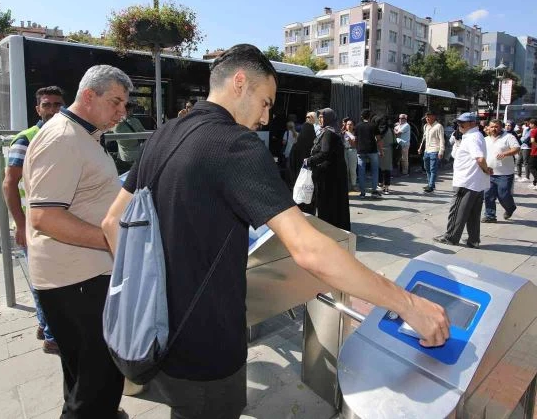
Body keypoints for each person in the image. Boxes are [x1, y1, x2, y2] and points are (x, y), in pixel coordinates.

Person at [101, 44, 449, 419]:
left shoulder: (163, 135)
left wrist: (152, 291)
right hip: (206, 351)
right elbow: (308, 250)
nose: (266, 118)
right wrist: (409, 305)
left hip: (154, 338)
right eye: (266, 102)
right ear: (239, 83)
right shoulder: (236, 146)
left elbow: (112, 222)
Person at [24, 65, 131, 418]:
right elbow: (45, 217)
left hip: (81, 277)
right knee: (97, 381)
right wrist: (114, 240)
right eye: (115, 102)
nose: (122, 112)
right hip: (76, 281)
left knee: (84, 377)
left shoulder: (83, 135)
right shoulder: (63, 138)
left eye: (124, 104)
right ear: (89, 96)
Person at [1, 85, 65, 355]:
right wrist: (20, 224)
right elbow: (9, 183)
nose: (53, 110)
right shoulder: (27, 139)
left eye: (58, 105)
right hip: (36, 224)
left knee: (49, 278)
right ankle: (53, 337)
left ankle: (44, 324)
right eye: (47, 105)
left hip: (58, 220)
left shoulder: (65, 135)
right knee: (46, 280)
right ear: (37, 109)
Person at [434, 113, 492, 247]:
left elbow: (480, 158)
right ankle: (473, 240)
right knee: (473, 213)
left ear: (472, 123)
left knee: (457, 210)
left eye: (462, 123)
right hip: (475, 182)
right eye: (458, 123)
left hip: (466, 181)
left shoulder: (472, 137)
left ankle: (450, 237)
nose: (459, 125)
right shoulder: (474, 136)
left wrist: (485, 169)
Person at [307, 108, 351, 230]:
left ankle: (329, 229)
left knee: (327, 203)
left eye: (322, 117)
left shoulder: (328, 133)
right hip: (336, 174)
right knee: (336, 203)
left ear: (328, 118)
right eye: (319, 117)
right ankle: (338, 228)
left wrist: (309, 160)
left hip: (329, 176)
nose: (320, 119)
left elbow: (324, 153)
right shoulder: (333, 131)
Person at [482, 119, 520, 223]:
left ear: (501, 127)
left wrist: (505, 154)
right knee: (488, 195)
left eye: (496, 127)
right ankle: (490, 216)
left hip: (505, 173)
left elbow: (516, 148)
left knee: (504, 195)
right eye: (492, 126)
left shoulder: (508, 137)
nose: (494, 129)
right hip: (489, 172)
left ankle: (510, 208)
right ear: (488, 128)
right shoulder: (485, 139)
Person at [290, 114, 319, 213]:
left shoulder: (296, 147)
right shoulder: (315, 148)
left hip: (297, 182)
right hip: (311, 184)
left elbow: (290, 166)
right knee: (310, 203)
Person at [113, 101, 148, 171]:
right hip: (136, 156)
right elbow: (144, 134)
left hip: (122, 158)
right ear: (128, 111)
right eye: (131, 110)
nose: (132, 112)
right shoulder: (135, 121)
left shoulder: (114, 123)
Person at [355, 109, 382, 198]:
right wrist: (381, 151)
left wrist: (357, 148)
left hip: (360, 151)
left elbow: (355, 139)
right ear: (370, 116)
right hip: (372, 150)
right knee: (374, 171)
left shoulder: (357, 126)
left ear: (362, 116)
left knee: (361, 172)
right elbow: (378, 139)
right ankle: (374, 191)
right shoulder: (373, 125)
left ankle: (362, 193)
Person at [418, 112, 445, 193]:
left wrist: (441, 151)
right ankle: (431, 184)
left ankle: (430, 186)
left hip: (435, 150)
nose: (427, 119)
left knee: (433, 169)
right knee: (427, 168)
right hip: (427, 150)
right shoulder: (425, 126)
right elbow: (424, 137)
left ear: (434, 117)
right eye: (426, 117)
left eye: (429, 117)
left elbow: (441, 139)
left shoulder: (438, 126)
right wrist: (420, 147)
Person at [378, 116, 395, 194]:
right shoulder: (390, 130)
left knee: (379, 168)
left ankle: (380, 184)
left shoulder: (377, 129)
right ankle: (386, 188)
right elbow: (393, 141)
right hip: (388, 150)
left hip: (378, 150)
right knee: (387, 170)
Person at [342, 119, 358, 190]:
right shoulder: (342, 133)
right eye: (348, 124)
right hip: (344, 151)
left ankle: (353, 185)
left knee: (352, 169)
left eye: (351, 124)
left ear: (353, 126)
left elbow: (354, 144)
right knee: (345, 169)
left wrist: (351, 140)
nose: (349, 126)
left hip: (352, 150)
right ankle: (346, 185)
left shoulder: (356, 133)